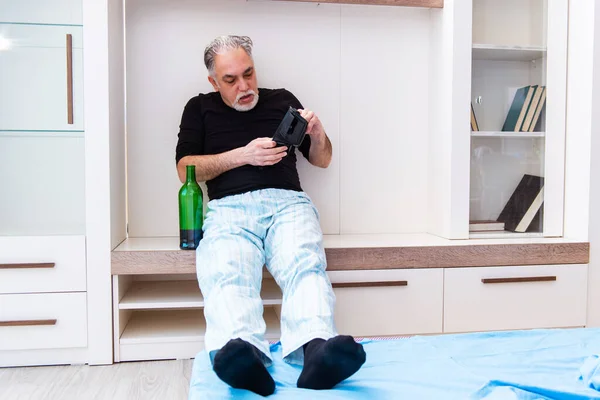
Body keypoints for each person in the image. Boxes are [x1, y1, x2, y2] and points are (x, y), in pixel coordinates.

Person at [175, 35, 366, 396]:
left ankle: (316, 351)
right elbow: (185, 167)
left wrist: (319, 134)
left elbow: (321, 159)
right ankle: (241, 355)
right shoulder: (199, 108)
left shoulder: (283, 100)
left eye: (249, 73)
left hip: (287, 204)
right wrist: (242, 156)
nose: (244, 86)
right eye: (231, 80)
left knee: (304, 265)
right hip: (228, 209)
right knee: (228, 273)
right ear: (214, 82)